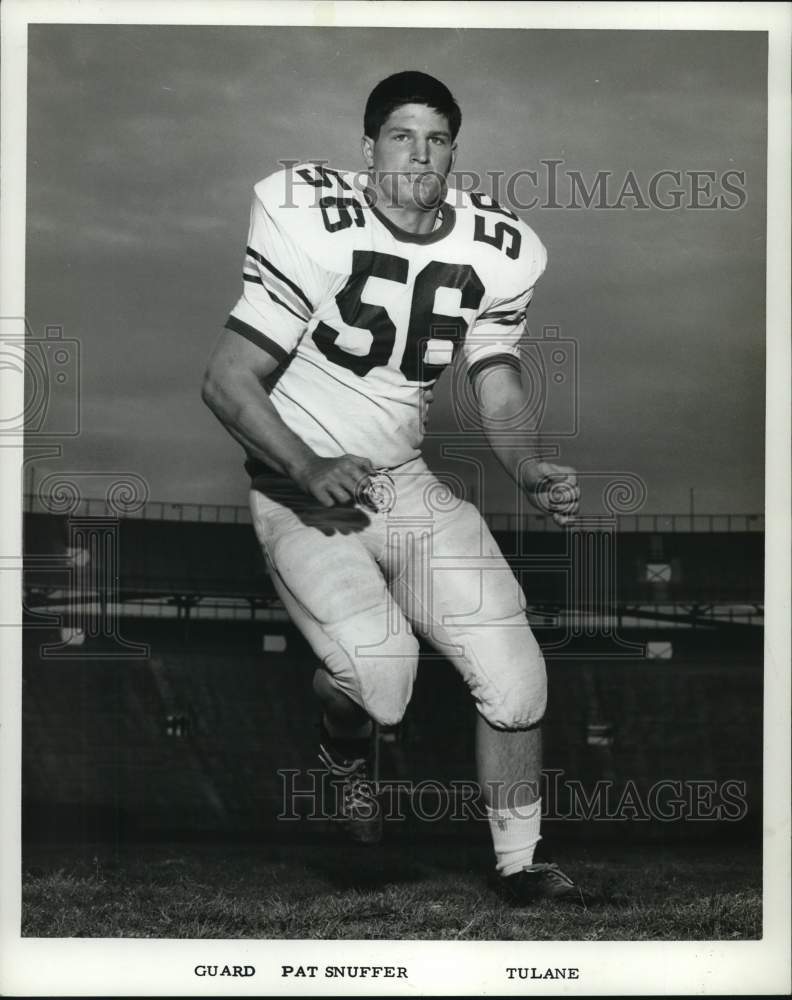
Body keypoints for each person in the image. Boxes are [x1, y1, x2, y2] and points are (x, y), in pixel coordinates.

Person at [202, 71, 584, 905]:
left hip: (404, 484)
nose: (421, 152)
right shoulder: (310, 218)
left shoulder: (497, 245)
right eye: (402, 135)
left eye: (438, 137)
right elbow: (228, 381)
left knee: (516, 675)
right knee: (380, 680)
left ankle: (522, 867)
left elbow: (497, 382)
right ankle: (342, 748)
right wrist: (307, 466)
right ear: (368, 147)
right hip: (298, 488)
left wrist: (525, 464)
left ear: (455, 151)